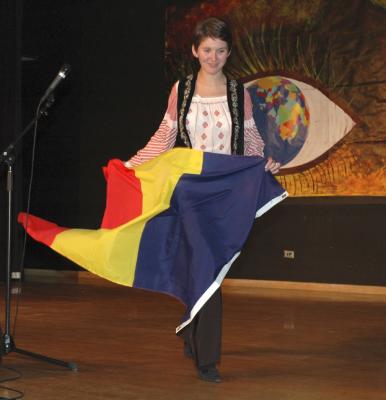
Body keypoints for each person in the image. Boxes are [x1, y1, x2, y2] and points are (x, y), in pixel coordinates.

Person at [125, 17, 281, 383]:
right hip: (192, 191)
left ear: (228, 53)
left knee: (207, 267)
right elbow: (165, 136)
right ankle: (207, 359)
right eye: (207, 50)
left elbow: (251, 138)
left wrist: (265, 161)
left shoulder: (236, 92)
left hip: (227, 192)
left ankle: (191, 327)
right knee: (207, 265)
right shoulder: (182, 90)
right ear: (195, 51)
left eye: (221, 50)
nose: (214, 57)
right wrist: (131, 164)